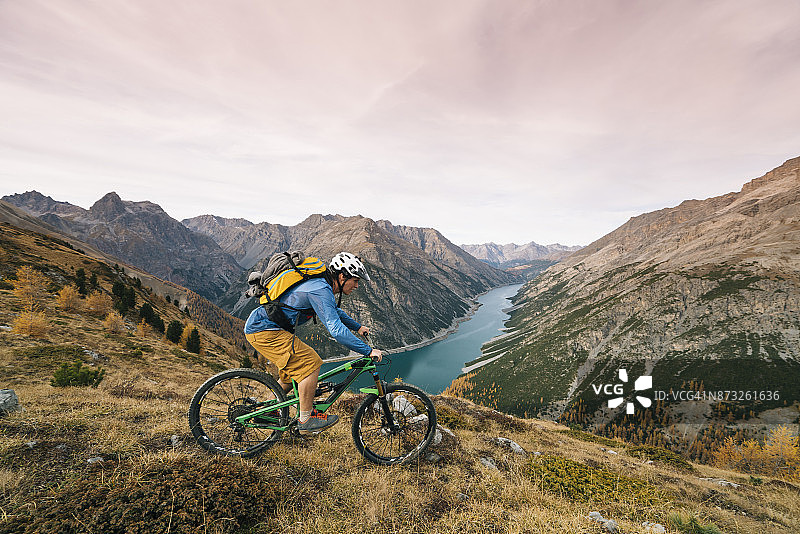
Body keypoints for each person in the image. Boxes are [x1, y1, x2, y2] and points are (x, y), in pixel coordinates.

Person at [244, 252, 383, 434]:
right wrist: (368, 350)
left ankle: (266, 411)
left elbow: (334, 312)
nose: (357, 285)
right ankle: (306, 420)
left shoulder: (322, 286)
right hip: (264, 330)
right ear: (342, 276)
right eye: (355, 280)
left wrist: (357, 327)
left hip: (267, 329)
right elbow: (336, 331)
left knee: (291, 376)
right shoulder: (319, 288)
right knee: (311, 363)